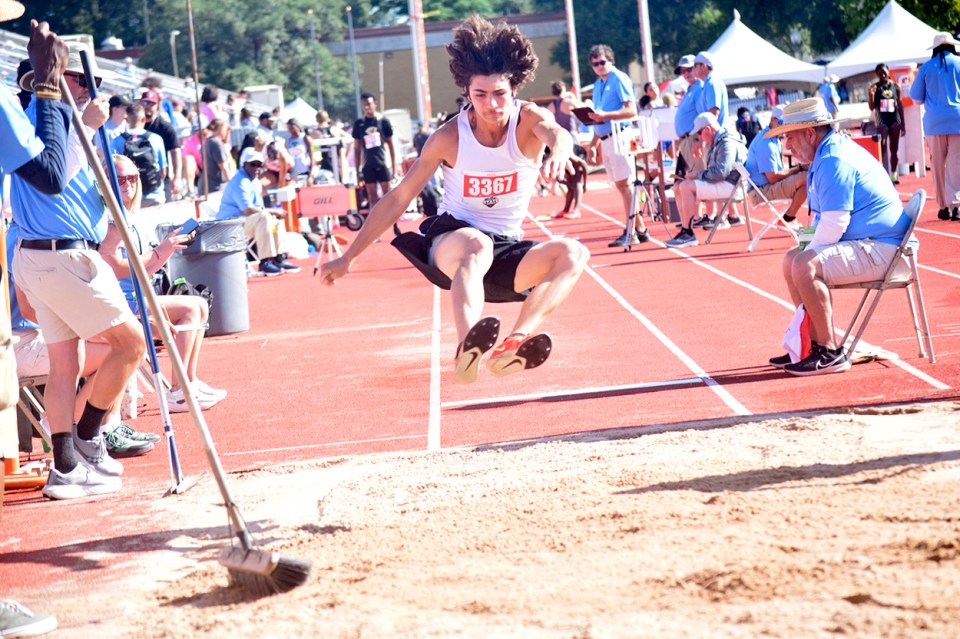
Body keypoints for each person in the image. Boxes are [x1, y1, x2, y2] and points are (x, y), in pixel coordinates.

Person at [321, 15, 589, 384]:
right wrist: (348, 257)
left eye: (500, 94)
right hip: (453, 242)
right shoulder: (449, 137)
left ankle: (513, 343)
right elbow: (398, 198)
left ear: (514, 88)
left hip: (504, 252)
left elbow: (556, 132)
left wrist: (560, 151)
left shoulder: (527, 120)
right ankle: (467, 347)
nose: (491, 104)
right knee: (477, 244)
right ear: (467, 92)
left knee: (574, 253)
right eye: (480, 95)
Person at [11, 38, 148, 500]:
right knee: (131, 344)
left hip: (47, 254)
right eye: (81, 80)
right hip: (62, 256)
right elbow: (53, 178)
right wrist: (85, 128)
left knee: (65, 365)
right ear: (56, 78)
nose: (91, 89)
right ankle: (89, 437)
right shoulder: (49, 119)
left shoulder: (55, 121)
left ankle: (67, 468)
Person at [769, 98, 913, 376]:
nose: (787, 146)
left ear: (810, 133)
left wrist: (807, 255)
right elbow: (826, 222)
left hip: (888, 250)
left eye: (790, 137)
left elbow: (834, 224)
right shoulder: (826, 154)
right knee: (792, 260)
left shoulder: (833, 159)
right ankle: (809, 346)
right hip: (876, 244)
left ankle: (829, 352)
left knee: (804, 264)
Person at [100, 154, 226, 412]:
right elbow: (117, 270)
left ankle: (188, 381)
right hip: (120, 304)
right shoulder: (110, 220)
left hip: (135, 297)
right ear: (105, 181)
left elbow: (141, 271)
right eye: (120, 179)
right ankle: (178, 391)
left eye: (132, 177)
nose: (128, 183)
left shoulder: (128, 217)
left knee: (200, 304)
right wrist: (160, 251)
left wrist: (167, 250)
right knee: (191, 309)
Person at [585, 44, 649, 247]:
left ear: (611, 61)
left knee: (626, 183)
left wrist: (605, 115)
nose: (599, 66)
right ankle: (640, 229)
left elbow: (631, 111)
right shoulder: (597, 85)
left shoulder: (619, 78)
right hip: (606, 138)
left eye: (602, 62)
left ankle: (632, 230)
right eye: (595, 64)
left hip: (621, 135)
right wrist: (593, 144)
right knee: (622, 185)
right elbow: (598, 117)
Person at [665, 112, 747, 248]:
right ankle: (686, 230)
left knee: (685, 186)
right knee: (678, 186)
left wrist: (697, 174)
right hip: (726, 183)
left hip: (732, 186)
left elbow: (720, 173)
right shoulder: (719, 141)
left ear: (708, 130)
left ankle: (688, 233)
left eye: (699, 133)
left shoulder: (726, 143)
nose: (699, 137)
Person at [217, 148, 300, 276]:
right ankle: (264, 262)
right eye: (253, 164)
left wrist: (273, 214)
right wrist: (273, 211)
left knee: (275, 220)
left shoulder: (255, 181)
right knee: (265, 217)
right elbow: (248, 209)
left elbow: (258, 207)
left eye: (259, 165)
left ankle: (278, 258)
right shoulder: (240, 182)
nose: (257, 168)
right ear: (244, 165)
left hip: (244, 222)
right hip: (230, 225)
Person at [910, 32, 960, 221]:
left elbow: (916, 98)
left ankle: (943, 207)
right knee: (956, 163)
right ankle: (956, 205)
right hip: (957, 119)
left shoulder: (926, 68)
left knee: (938, 164)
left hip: (934, 122)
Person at [743, 105, 807, 227]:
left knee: (808, 177)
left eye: (787, 123)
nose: (784, 126)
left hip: (763, 187)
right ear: (772, 120)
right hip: (761, 191)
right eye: (782, 123)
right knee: (808, 178)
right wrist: (800, 168)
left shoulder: (774, 139)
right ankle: (789, 218)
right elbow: (773, 177)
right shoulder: (766, 143)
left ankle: (792, 219)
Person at [111, 102, 167, 206]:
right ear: (144, 119)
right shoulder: (156, 139)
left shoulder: (117, 140)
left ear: (127, 120)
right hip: (155, 196)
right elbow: (163, 172)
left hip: (129, 198)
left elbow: (112, 169)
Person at [352, 92, 399, 212]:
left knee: (388, 196)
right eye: (364, 105)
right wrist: (357, 171)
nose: (366, 107)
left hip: (383, 164)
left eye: (368, 104)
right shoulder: (359, 124)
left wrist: (394, 168)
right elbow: (357, 149)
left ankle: (392, 221)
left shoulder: (383, 121)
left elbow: (391, 145)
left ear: (375, 104)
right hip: (368, 165)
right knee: (372, 198)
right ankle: (375, 222)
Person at [139, 88, 183, 201]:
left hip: (161, 178)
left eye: (151, 103)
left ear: (158, 105)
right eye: (145, 103)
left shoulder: (164, 127)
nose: (147, 106)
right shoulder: (135, 125)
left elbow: (176, 152)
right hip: (138, 178)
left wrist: (177, 177)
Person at [871, 63, 906, 184]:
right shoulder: (875, 88)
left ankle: (894, 174)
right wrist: (871, 95)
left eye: (884, 72)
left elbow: (900, 105)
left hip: (894, 119)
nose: (882, 75)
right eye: (879, 74)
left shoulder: (896, 86)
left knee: (894, 148)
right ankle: (882, 173)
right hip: (882, 120)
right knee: (882, 148)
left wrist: (903, 124)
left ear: (888, 71)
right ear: (877, 75)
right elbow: (871, 107)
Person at [672, 54, 705, 179]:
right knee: (687, 179)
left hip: (693, 139)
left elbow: (703, 116)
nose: (686, 74)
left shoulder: (699, 88)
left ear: (696, 68)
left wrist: (699, 140)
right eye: (683, 71)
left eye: (689, 69)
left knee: (698, 180)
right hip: (687, 139)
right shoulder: (690, 90)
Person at [286, 118, 315, 186]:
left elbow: (311, 156)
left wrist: (310, 175)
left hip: (305, 170)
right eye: (289, 129)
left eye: (292, 128)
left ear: (298, 127)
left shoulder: (304, 138)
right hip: (293, 172)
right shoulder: (288, 141)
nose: (291, 130)